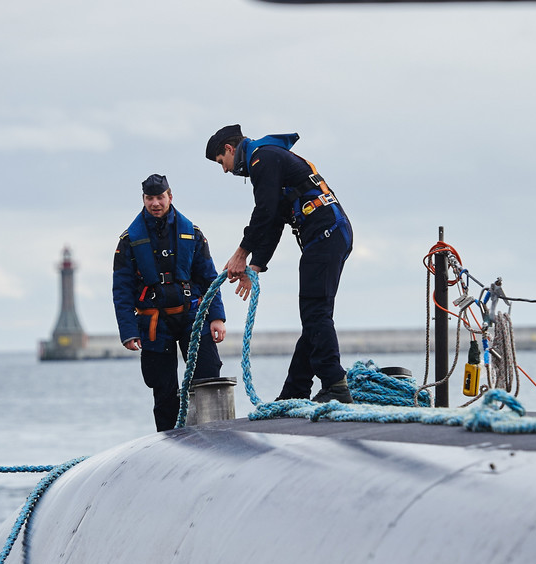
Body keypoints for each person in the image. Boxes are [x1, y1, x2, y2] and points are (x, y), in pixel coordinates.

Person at [205, 124, 354, 404]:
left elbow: (265, 211)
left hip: (326, 234)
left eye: (221, 162)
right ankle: (294, 391)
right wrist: (256, 266)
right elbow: (273, 222)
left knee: (315, 312)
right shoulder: (269, 160)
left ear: (229, 149)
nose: (224, 170)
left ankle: (335, 383)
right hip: (329, 235)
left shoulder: (263, 158)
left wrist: (241, 253)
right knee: (314, 315)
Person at [112, 174, 227, 431]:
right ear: (143, 199)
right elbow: (121, 289)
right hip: (154, 322)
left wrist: (217, 316)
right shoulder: (128, 241)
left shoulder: (193, 234)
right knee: (163, 389)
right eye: (150, 198)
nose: (155, 203)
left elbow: (209, 276)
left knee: (208, 378)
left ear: (170, 196)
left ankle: (215, 435)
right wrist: (128, 331)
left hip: (193, 316)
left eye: (160, 197)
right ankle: (169, 438)